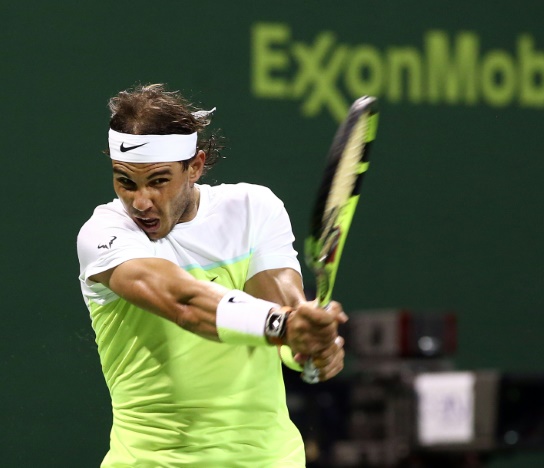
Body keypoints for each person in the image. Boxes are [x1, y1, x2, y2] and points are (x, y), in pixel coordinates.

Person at [76, 83, 346, 467]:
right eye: (125, 181)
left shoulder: (255, 208)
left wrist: (309, 342)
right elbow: (183, 302)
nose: (140, 202)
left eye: (158, 181)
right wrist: (283, 325)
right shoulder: (103, 235)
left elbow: (285, 307)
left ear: (196, 167)